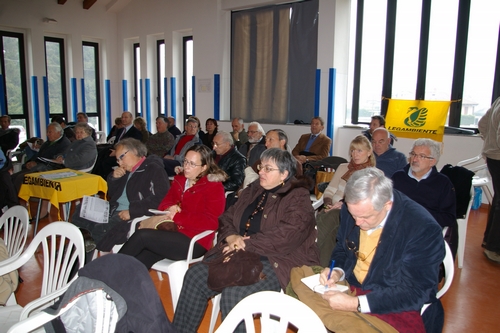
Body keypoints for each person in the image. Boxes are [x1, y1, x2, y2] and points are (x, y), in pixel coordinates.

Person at [172, 148, 319, 333]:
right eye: (261, 167)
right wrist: (232, 237)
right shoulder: (254, 189)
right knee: (194, 276)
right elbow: (226, 218)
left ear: (284, 174)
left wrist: (245, 243)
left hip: (276, 261)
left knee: (235, 294)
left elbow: (288, 235)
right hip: (237, 254)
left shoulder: (298, 197)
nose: (260, 172)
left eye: (267, 168)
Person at [290, 168, 445, 333]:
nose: (357, 222)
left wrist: (356, 304)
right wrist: (337, 271)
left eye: (365, 217)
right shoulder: (353, 209)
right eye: (353, 215)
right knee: (298, 282)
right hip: (352, 286)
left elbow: (415, 292)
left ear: (387, 205)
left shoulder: (422, 228)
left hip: (391, 299)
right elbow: (343, 249)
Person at [119, 145, 227, 268]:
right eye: (185, 161)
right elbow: (164, 203)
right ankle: (117, 283)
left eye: (192, 164)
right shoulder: (180, 180)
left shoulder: (213, 187)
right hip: (172, 232)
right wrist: (170, 207)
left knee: (141, 236)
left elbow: (212, 222)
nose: (186, 166)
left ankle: (106, 272)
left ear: (204, 167)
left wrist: (178, 216)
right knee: (141, 259)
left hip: (195, 241)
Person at [71, 138, 170, 253]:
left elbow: (161, 199)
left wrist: (132, 211)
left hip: (129, 213)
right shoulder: (126, 170)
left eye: (122, 157)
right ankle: (81, 244)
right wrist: (114, 179)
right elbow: (113, 195)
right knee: (82, 208)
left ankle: (77, 251)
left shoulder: (154, 169)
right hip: (113, 207)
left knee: (100, 229)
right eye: (117, 160)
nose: (119, 163)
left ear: (134, 151)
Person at [391, 138, 457, 258]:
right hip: (397, 227)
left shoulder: (443, 183)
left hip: (424, 229)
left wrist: (420, 217)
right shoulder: (398, 177)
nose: (415, 159)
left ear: (432, 161)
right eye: (413, 154)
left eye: (421, 156)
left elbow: (449, 217)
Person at [316, 134, 375, 266]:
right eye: (353, 151)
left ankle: (307, 251)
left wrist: (342, 204)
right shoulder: (343, 167)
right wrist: (328, 204)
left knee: (329, 219)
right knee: (330, 233)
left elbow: (365, 200)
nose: (355, 154)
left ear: (369, 152)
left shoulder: (373, 174)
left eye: (359, 150)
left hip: (352, 213)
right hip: (332, 208)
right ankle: (321, 266)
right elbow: (330, 190)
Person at [11, 122, 71, 193]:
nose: (47, 134)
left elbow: (56, 160)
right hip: (38, 165)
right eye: (47, 132)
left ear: (58, 133)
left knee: (20, 178)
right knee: (12, 177)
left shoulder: (65, 143)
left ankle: (16, 201)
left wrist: (36, 164)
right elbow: (39, 155)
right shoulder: (47, 143)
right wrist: (30, 162)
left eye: (49, 132)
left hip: (49, 169)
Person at [478, 96, 500, 263]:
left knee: (498, 199)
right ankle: (494, 247)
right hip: (498, 156)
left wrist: (490, 144)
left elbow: (482, 124)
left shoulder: (498, 100)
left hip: (493, 156)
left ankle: (489, 240)